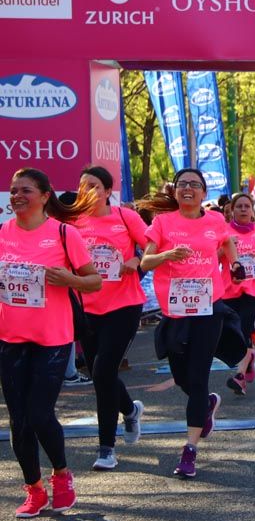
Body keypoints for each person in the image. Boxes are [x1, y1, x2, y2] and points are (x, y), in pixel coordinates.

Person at [1, 168, 101, 517]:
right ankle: (34, 489)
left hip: (52, 339)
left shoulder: (63, 234)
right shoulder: (2, 233)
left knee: (40, 415)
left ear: (45, 196)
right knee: (19, 420)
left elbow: (94, 281)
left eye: (25, 190)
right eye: (13, 191)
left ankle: (61, 475)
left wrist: (68, 278)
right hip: (10, 338)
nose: (17, 196)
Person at [139, 169, 245, 478]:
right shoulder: (162, 223)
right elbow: (146, 262)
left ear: (203, 192)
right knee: (182, 376)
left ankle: (190, 450)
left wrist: (235, 261)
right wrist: (169, 254)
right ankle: (208, 403)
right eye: (182, 184)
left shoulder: (214, 221)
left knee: (197, 377)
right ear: (175, 191)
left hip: (208, 308)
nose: (188, 189)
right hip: (174, 312)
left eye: (194, 185)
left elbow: (227, 243)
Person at [75, 165, 149, 471]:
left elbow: (153, 248)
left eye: (93, 185)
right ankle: (130, 410)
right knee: (99, 374)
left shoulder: (124, 217)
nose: (87, 190)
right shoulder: (71, 220)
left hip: (123, 305)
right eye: (83, 185)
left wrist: (137, 260)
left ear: (108, 191)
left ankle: (106, 448)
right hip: (86, 308)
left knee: (104, 371)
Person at [222, 193, 255, 397]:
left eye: (247, 206)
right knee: (234, 331)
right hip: (230, 287)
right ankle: (249, 358)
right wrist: (227, 246)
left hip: (254, 288)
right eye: (239, 206)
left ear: (252, 210)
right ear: (232, 211)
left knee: (244, 325)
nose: (243, 209)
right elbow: (214, 257)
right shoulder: (224, 232)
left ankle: (240, 375)